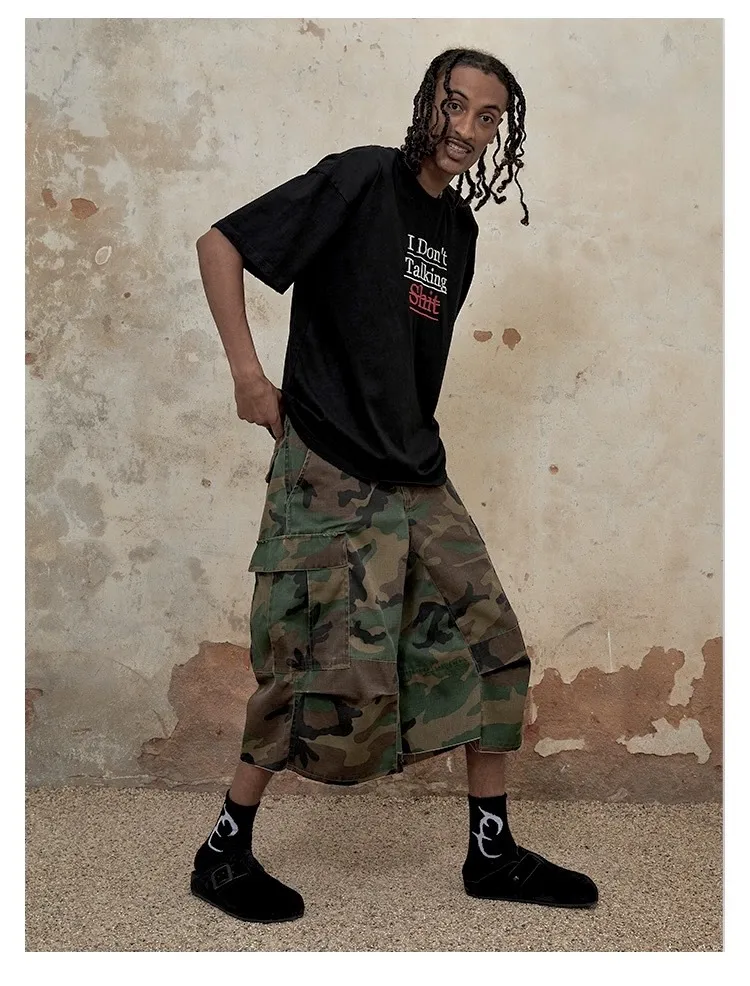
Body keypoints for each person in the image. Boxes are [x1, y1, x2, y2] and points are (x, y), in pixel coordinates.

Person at [191, 47, 598, 924]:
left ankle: (491, 852)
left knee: (492, 644)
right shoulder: (363, 179)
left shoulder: (459, 231)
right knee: (308, 665)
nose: (467, 128)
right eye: (455, 105)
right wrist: (248, 377)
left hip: (416, 473)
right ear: (427, 104)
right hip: (330, 464)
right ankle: (223, 852)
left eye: (487, 117)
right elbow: (221, 243)